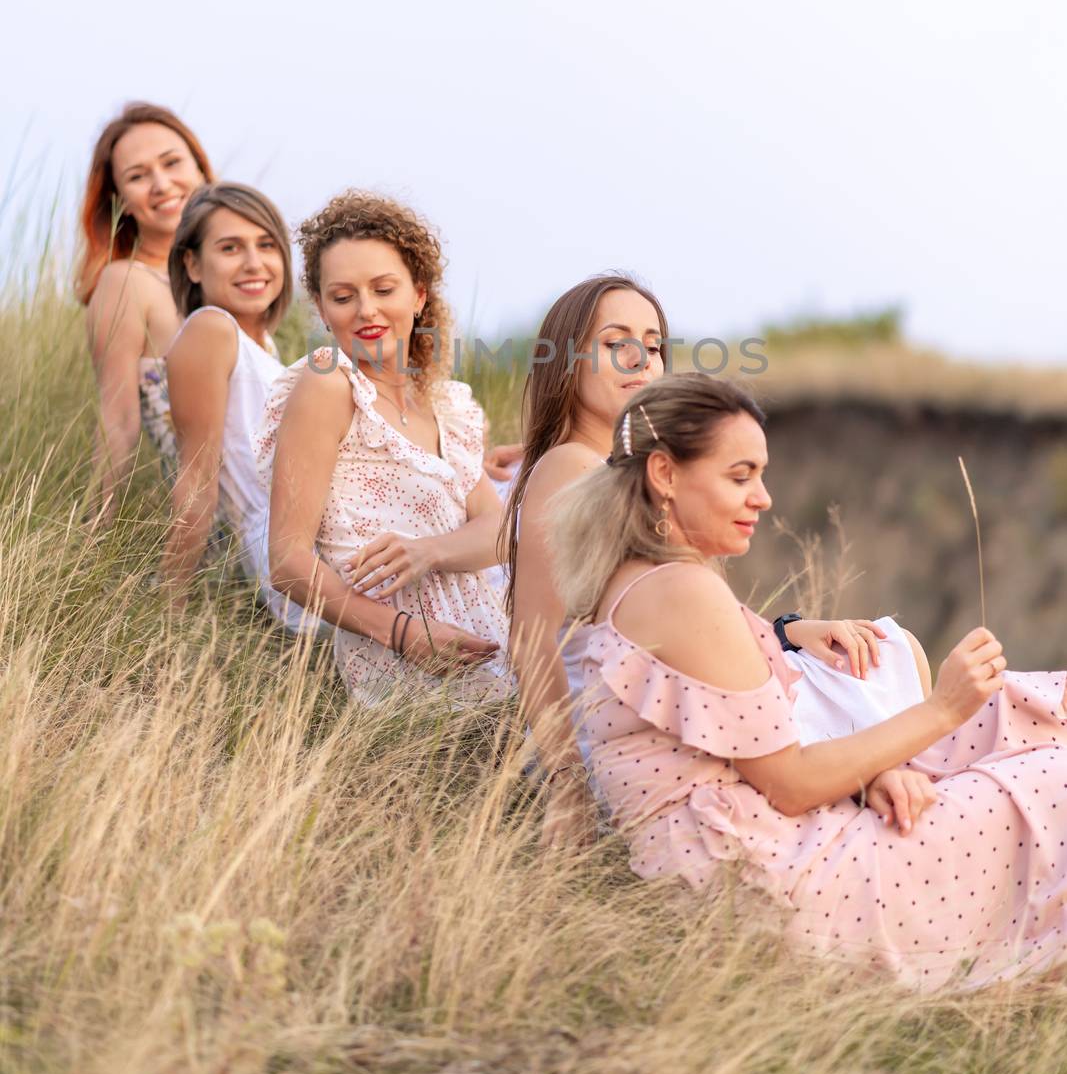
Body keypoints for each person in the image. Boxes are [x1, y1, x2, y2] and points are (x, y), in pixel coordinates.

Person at [549, 372, 1067, 991]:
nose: (763, 498)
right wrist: (943, 708)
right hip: (775, 885)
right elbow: (791, 785)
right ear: (664, 475)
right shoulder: (679, 590)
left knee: (1016, 704)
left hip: (745, 856)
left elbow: (740, 735)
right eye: (740, 476)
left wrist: (871, 762)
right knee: (1049, 779)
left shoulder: (642, 580)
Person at [504, 273, 911, 849]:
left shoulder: (629, 472)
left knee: (887, 653)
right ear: (566, 361)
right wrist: (567, 787)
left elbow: (689, 619)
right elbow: (532, 635)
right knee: (891, 665)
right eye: (616, 341)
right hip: (630, 728)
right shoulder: (571, 466)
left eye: (652, 345)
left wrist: (792, 632)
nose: (639, 359)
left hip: (679, 700)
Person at [257, 190, 510, 703]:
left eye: (384, 288)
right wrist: (403, 634)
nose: (366, 310)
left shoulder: (444, 404)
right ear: (324, 311)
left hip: (495, 651)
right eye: (344, 296)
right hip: (400, 672)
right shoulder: (330, 384)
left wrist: (429, 552)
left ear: (418, 295)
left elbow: (500, 532)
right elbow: (286, 562)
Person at [160, 183, 323, 634]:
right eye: (231, 248)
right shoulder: (210, 330)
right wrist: (169, 613)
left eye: (267, 245)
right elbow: (197, 477)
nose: (254, 262)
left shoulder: (266, 350)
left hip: (325, 529)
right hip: (291, 548)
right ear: (192, 264)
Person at [75, 102, 214, 516]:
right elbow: (117, 421)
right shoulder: (126, 283)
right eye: (137, 176)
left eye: (172, 163)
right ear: (120, 202)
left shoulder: (239, 275)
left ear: (201, 170)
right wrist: (89, 547)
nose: (161, 184)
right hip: (216, 522)